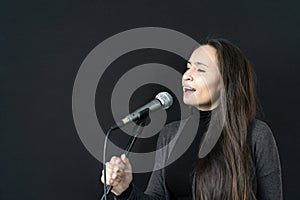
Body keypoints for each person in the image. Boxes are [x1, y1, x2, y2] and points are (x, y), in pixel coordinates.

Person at [100, 39, 283, 200]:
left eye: (200, 69)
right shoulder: (171, 134)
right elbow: (157, 197)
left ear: (225, 81)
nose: (187, 75)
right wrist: (125, 190)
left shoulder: (256, 134)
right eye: (188, 68)